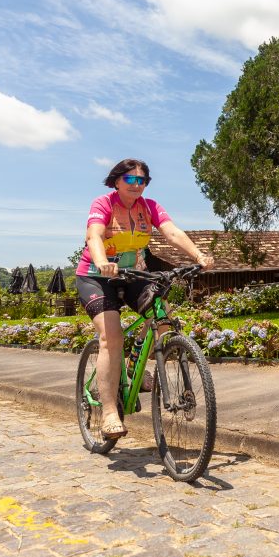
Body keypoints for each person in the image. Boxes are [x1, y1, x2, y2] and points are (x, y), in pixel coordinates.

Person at [75, 158, 213, 440]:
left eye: (142, 181)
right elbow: (95, 236)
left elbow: (172, 232)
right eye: (131, 180)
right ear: (117, 181)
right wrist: (102, 262)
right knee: (111, 337)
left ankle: (134, 363)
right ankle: (110, 411)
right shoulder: (104, 203)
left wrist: (198, 255)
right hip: (97, 278)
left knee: (163, 320)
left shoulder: (148, 207)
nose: (137, 185)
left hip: (133, 276)